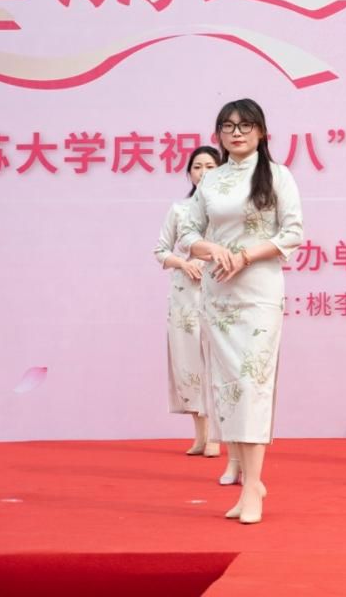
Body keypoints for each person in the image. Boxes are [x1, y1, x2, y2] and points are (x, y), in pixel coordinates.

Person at [180, 99, 303, 524]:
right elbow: (187, 232)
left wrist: (246, 256)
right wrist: (210, 249)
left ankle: (253, 486)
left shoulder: (278, 175)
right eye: (228, 126)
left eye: (246, 125)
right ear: (218, 134)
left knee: (253, 384)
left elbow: (293, 233)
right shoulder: (212, 180)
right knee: (229, 386)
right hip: (219, 294)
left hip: (259, 292)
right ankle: (247, 477)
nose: (237, 133)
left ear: (261, 132)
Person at [153, 145, 221, 457]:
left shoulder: (227, 210)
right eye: (197, 167)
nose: (203, 172)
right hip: (185, 297)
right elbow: (160, 250)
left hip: (219, 291)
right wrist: (183, 263)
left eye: (210, 166)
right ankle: (200, 435)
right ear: (189, 173)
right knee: (189, 363)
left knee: (217, 362)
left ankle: (217, 436)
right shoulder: (179, 210)